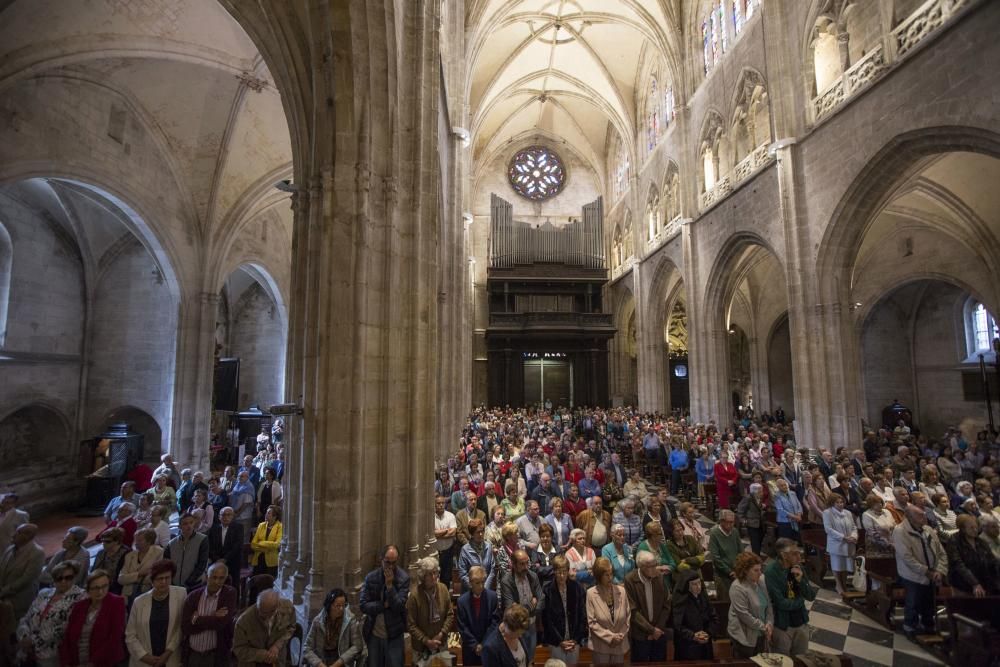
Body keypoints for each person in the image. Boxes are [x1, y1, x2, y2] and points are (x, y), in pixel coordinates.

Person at [16, 561, 85, 667]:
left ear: (75, 577)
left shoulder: (80, 597)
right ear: (53, 579)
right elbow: (26, 618)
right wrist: (24, 637)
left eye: (68, 577)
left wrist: (32, 641)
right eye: (59, 578)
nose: (63, 581)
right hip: (25, 651)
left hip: (50, 655)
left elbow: (63, 628)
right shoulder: (44, 593)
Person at [894, 504, 948, 637]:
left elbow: (941, 552)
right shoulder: (900, 531)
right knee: (913, 601)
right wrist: (926, 571)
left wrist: (940, 570)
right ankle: (910, 626)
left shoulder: (928, 529)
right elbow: (907, 558)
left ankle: (928, 624)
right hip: (912, 575)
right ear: (909, 517)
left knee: (929, 602)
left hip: (933, 573)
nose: (924, 517)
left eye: (923, 514)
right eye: (919, 515)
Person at [125, 559, 187, 666]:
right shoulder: (139, 602)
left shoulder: (181, 593)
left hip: (171, 657)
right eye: (159, 579)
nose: (163, 582)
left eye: (167, 578)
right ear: (152, 581)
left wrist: (168, 653)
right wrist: (144, 656)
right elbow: (130, 635)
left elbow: (181, 627)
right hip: (144, 660)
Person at [60, 569, 127, 667]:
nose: (100, 591)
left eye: (104, 586)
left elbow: (114, 638)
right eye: (95, 588)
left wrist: (92, 663)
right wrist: (66, 662)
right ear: (88, 589)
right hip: (77, 661)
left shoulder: (117, 603)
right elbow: (67, 637)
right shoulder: (79, 606)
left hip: (103, 662)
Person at [359, 545, 410, 667]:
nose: (391, 566)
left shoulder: (403, 579)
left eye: (394, 562)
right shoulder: (371, 578)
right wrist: (383, 605)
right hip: (374, 634)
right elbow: (363, 605)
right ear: (381, 559)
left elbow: (398, 606)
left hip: (394, 633)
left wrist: (390, 587)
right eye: (387, 562)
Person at [764, 538, 816, 656]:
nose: (799, 557)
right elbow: (781, 603)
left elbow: (811, 596)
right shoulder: (771, 571)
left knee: (801, 658)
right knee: (783, 660)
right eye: (795, 553)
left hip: (800, 621)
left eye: (799, 553)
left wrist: (801, 581)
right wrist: (800, 600)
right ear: (784, 555)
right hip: (782, 624)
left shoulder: (798, 567)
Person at [623, 550, 671, 663]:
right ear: (641, 567)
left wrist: (657, 629)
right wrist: (651, 630)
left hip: (659, 633)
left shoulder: (659, 577)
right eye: (651, 566)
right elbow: (633, 610)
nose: (655, 568)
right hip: (640, 635)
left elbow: (666, 604)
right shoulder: (630, 580)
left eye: (655, 564)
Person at [406, 557, 455, 661]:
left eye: (435, 572)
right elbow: (411, 625)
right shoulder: (414, 596)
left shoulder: (443, 589)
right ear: (423, 576)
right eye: (429, 574)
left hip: (441, 644)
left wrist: (441, 634)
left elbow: (450, 615)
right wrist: (427, 641)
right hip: (421, 648)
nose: (433, 577)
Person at [540, 555, 586, 665]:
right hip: (556, 642)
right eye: (558, 572)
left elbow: (582, 615)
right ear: (554, 571)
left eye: (564, 572)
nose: (561, 575)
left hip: (573, 641)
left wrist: (575, 639)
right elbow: (547, 620)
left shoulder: (577, 587)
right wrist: (560, 641)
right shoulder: (547, 590)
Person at [499, 549, 543, 662]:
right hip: (516, 628)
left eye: (527, 562)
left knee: (531, 658)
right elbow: (511, 609)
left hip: (532, 625)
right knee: (517, 660)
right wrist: (530, 605)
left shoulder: (533, 576)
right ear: (513, 564)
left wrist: (533, 608)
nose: (526, 567)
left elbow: (541, 599)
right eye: (522, 564)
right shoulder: (506, 581)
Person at [303, 587, 365, 667]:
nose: (341, 609)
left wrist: (339, 662)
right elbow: (307, 647)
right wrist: (319, 664)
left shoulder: (350, 620)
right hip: (322, 661)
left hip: (341, 661)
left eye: (344, 605)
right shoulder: (318, 621)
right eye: (337, 606)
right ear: (329, 606)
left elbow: (357, 646)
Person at [727, 552, 773, 659]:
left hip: (761, 631)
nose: (760, 573)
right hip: (744, 636)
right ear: (745, 571)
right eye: (756, 570)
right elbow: (744, 615)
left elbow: (769, 604)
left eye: (760, 569)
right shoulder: (737, 588)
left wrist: (769, 623)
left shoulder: (761, 580)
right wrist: (764, 627)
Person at [232, 589, 296, 667]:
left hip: (278, 661)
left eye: (265, 613)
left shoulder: (287, 608)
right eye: (259, 610)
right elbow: (238, 650)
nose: (260, 614)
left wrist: (278, 645)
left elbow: (291, 628)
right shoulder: (243, 621)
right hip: (251, 663)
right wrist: (263, 655)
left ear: (276, 608)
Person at [585, 557, 629, 665]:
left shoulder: (622, 591)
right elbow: (592, 622)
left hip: (619, 644)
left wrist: (619, 636)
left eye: (611, 574)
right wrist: (610, 637)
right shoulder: (591, 593)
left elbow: (627, 617)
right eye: (606, 575)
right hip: (601, 647)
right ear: (599, 576)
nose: (610, 578)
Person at [946, 514, 1000, 596]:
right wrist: (974, 583)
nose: (975, 530)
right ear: (963, 529)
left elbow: (992, 561)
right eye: (971, 528)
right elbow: (958, 564)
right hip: (962, 584)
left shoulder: (980, 542)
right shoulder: (954, 541)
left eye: (976, 527)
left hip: (983, 584)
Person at [456, 565, 500, 666]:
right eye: (477, 583)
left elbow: (495, 623)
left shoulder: (492, 597)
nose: (481, 586)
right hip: (470, 649)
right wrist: (475, 645)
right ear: (470, 583)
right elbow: (463, 627)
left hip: (489, 647)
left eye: (482, 582)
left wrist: (483, 644)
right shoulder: (462, 601)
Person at [671, 569, 716, 660]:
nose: (698, 587)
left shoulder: (703, 597)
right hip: (687, 645)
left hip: (705, 643)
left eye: (699, 583)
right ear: (687, 585)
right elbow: (677, 625)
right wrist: (693, 636)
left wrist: (708, 633)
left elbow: (714, 617)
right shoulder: (680, 600)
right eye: (694, 584)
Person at [823, 494, 859, 594]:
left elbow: (854, 527)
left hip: (849, 543)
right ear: (832, 503)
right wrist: (843, 537)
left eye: (842, 502)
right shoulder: (827, 513)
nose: (840, 504)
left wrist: (853, 536)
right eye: (837, 502)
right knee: (837, 565)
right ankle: (838, 584)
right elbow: (828, 529)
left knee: (846, 566)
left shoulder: (847, 512)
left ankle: (844, 583)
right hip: (837, 543)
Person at [119, 528, 165, 603]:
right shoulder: (129, 555)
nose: (136, 543)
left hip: (147, 594)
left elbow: (151, 579)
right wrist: (140, 574)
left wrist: (130, 578)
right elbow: (121, 579)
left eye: (139, 540)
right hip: (127, 596)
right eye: (135, 540)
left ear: (149, 541)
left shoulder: (158, 552)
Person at [165, 514, 209, 590]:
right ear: (179, 526)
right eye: (185, 524)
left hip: (194, 584)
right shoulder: (172, 543)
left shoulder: (202, 539)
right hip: (175, 584)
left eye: (191, 522)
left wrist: (189, 582)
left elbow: (202, 563)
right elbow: (167, 564)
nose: (189, 526)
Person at [707, 510, 742, 603]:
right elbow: (715, 557)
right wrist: (729, 572)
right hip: (722, 575)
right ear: (722, 521)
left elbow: (741, 551)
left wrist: (740, 567)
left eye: (733, 522)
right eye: (728, 522)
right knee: (726, 601)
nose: (731, 525)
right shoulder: (714, 534)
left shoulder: (735, 532)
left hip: (737, 571)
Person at [480, 603, 530, 667]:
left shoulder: (518, 628)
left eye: (521, 633)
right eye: (517, 633)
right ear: (507, 626)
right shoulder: (490, 648)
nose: (520, 636)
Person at [208, 506, 245, 586]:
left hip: (233, 561)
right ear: (219, 517)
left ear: (233, 516)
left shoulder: (238, 527)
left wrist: (225, 559)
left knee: (234, 585)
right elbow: (210, 547)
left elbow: (237, 546)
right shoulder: (214, 529)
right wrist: (217, 559)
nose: (226, 517)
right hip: (216, 561)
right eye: (223, 515)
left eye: (229, 515)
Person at [635, 521, 677, 589]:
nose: (663, 535)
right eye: (660, 534)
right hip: (652, 584)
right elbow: (642, 570)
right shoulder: (643, 547)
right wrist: (659, 568)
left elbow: (673, 563)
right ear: (653, 536)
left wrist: (668, 569)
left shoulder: (662, 545)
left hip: (666, 583)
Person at [459, 519, 496, 591]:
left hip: (487, 590)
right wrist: (476, 588)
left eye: (482, 531)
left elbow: (492, 570)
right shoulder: (465, 550)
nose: (481, 534)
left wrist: (484, 588)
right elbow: (463, 574)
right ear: (472, 534)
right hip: (471, 591)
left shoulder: (488, 547)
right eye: (478, 532)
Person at [92, 527, 129, 595]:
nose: (103, 544)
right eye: (102, 541)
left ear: (117, 541)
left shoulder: (127, 554)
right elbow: (94, 570)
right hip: (100, 583)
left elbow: (123, 577)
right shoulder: (101, 552)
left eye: (107, 542)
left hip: (117, 587)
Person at [250, 505, 283, 578]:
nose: (265, 514)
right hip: (258, 559)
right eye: (266, 512)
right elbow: (253, 544)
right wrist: (267, 548)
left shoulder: (280, 527)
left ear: (275, 516)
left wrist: (261, 543)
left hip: (271, 561)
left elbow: (277, 544)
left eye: (268, 513)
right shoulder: (261, 525)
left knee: (269, 582)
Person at [861, 494, 896, 558]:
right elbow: (871, 533)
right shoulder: (866, 514)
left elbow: (894, 525)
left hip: (892, 545)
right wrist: (887, 544)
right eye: (876, 503)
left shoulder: (887, 512)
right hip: (877, 549)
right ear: (870, 505)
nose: (879, 504)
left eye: (880, 502)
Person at [737, 483, 766, 555]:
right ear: (754, 492)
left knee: (760, 539)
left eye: (762, 491)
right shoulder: (748, 498)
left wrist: (762, 507)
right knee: (755, 542)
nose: (762, 493)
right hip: (751, 523)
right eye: (760, 491)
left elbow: (757, 508)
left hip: (760, 522)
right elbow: (740, 509)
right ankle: (756, 557)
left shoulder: (759, 497)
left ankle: (757, 554)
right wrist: (743, 520)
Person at [230, 471, 257, 544]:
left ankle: (243, 553)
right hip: (235, 515)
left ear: (247, 477)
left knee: (244, 537)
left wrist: (237, 513)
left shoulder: (249, 487)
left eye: (242, 476)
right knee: (236, 537)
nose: (239, 478)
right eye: (239, 476)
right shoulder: (237, 485)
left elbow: (246, 503)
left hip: (244, 516)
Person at [530, 523, 560, 587]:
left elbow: (560, 566)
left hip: (556, 583)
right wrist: (553, 567)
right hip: (540, 585)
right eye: (542, 536)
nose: (545, 538)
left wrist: (540, 568)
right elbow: (534, 569)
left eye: (548, 536)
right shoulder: (535, 551)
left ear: (551, 537)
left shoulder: (558, 550)